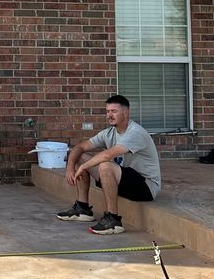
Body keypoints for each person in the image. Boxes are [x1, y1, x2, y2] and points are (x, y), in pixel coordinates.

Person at [54, 94, 161, 235]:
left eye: (114, 111)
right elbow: (80, 147)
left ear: (126, 113)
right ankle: (82, 209)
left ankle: (113, 221)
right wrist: (70, 167)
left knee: (105, 165)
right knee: (80, 156)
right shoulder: (109, 133)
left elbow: (107, 155)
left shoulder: (135, 133)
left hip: (145, 187)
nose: (110, 115)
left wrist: (83, 167)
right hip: (124, 180)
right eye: (107, 111)